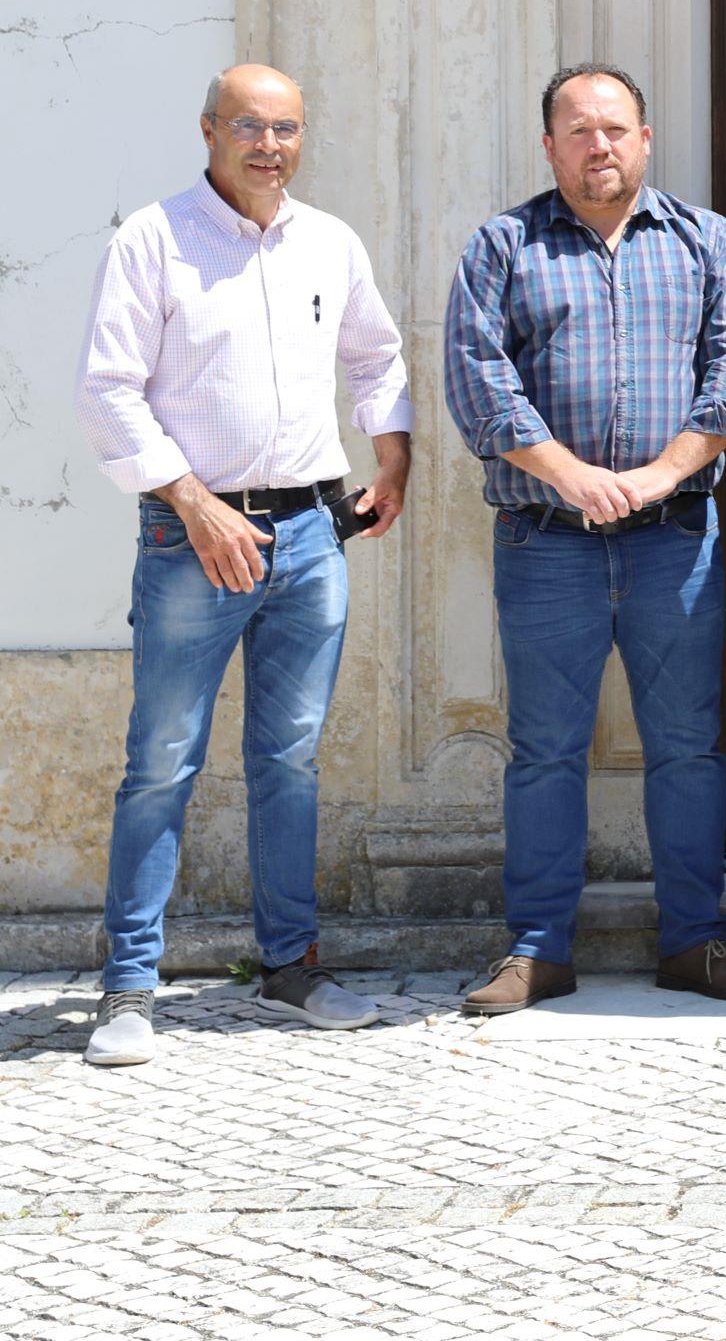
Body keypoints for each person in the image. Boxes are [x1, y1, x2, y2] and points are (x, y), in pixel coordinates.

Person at [72, 66, 414, 1066]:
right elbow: (108, 390)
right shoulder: (153, 240)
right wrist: (194, 503)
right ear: (209, 130)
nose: (269, 145)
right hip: (192, 541)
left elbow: (376, 354)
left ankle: (291, 967)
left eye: (287, 128)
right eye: (249, 126)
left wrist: (392, 454)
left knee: (290, 759)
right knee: (162, 761)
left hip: (311, 537)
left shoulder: (328, 241)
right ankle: (129, 988)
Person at [443, 64, 726, 1015]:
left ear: (646, 138)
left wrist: (661, 474)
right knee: (545, 751)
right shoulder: (504, 245)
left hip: (676, 539)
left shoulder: (707, 240)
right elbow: (479, 382)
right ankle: (538, 949)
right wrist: (571, 476)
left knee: (687, 748)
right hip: (547, 540)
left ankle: (694, 942)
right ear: (550, 146)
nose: (600, 146)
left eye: (616, 128)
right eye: (580, 131)